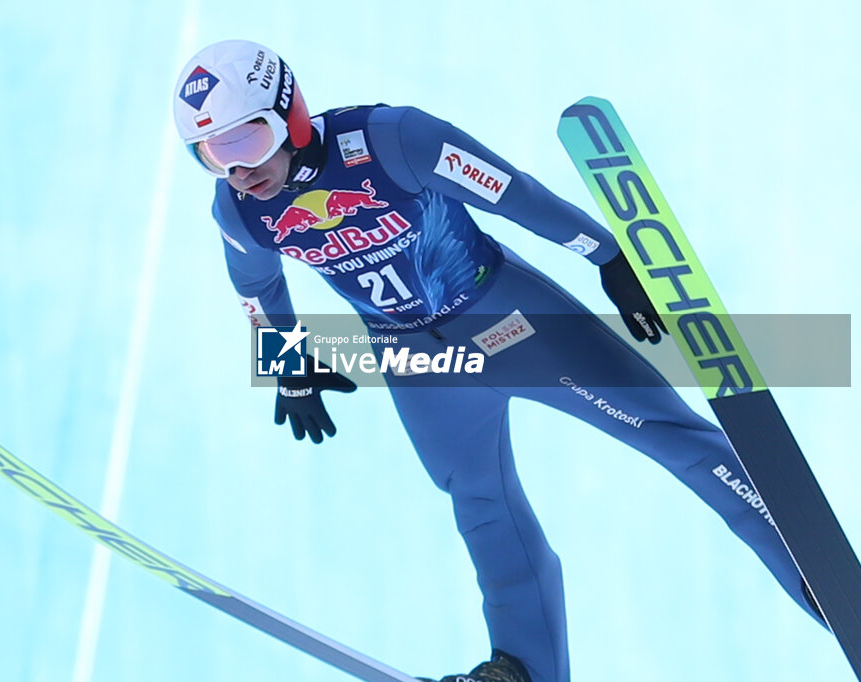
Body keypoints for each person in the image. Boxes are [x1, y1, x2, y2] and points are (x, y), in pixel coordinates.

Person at [172, 39, 823, 682]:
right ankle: (524, 670)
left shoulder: (393, 141)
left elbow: (513, 194)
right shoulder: (240, 211)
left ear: (288, 115)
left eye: (244, 143)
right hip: (415, 364)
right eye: (211, 154)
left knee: (669, 436)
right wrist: (286, 361)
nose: (237, 170)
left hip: (512, 322)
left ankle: (812, 569)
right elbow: (257, 288)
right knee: (482, 508)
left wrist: (608, 256)